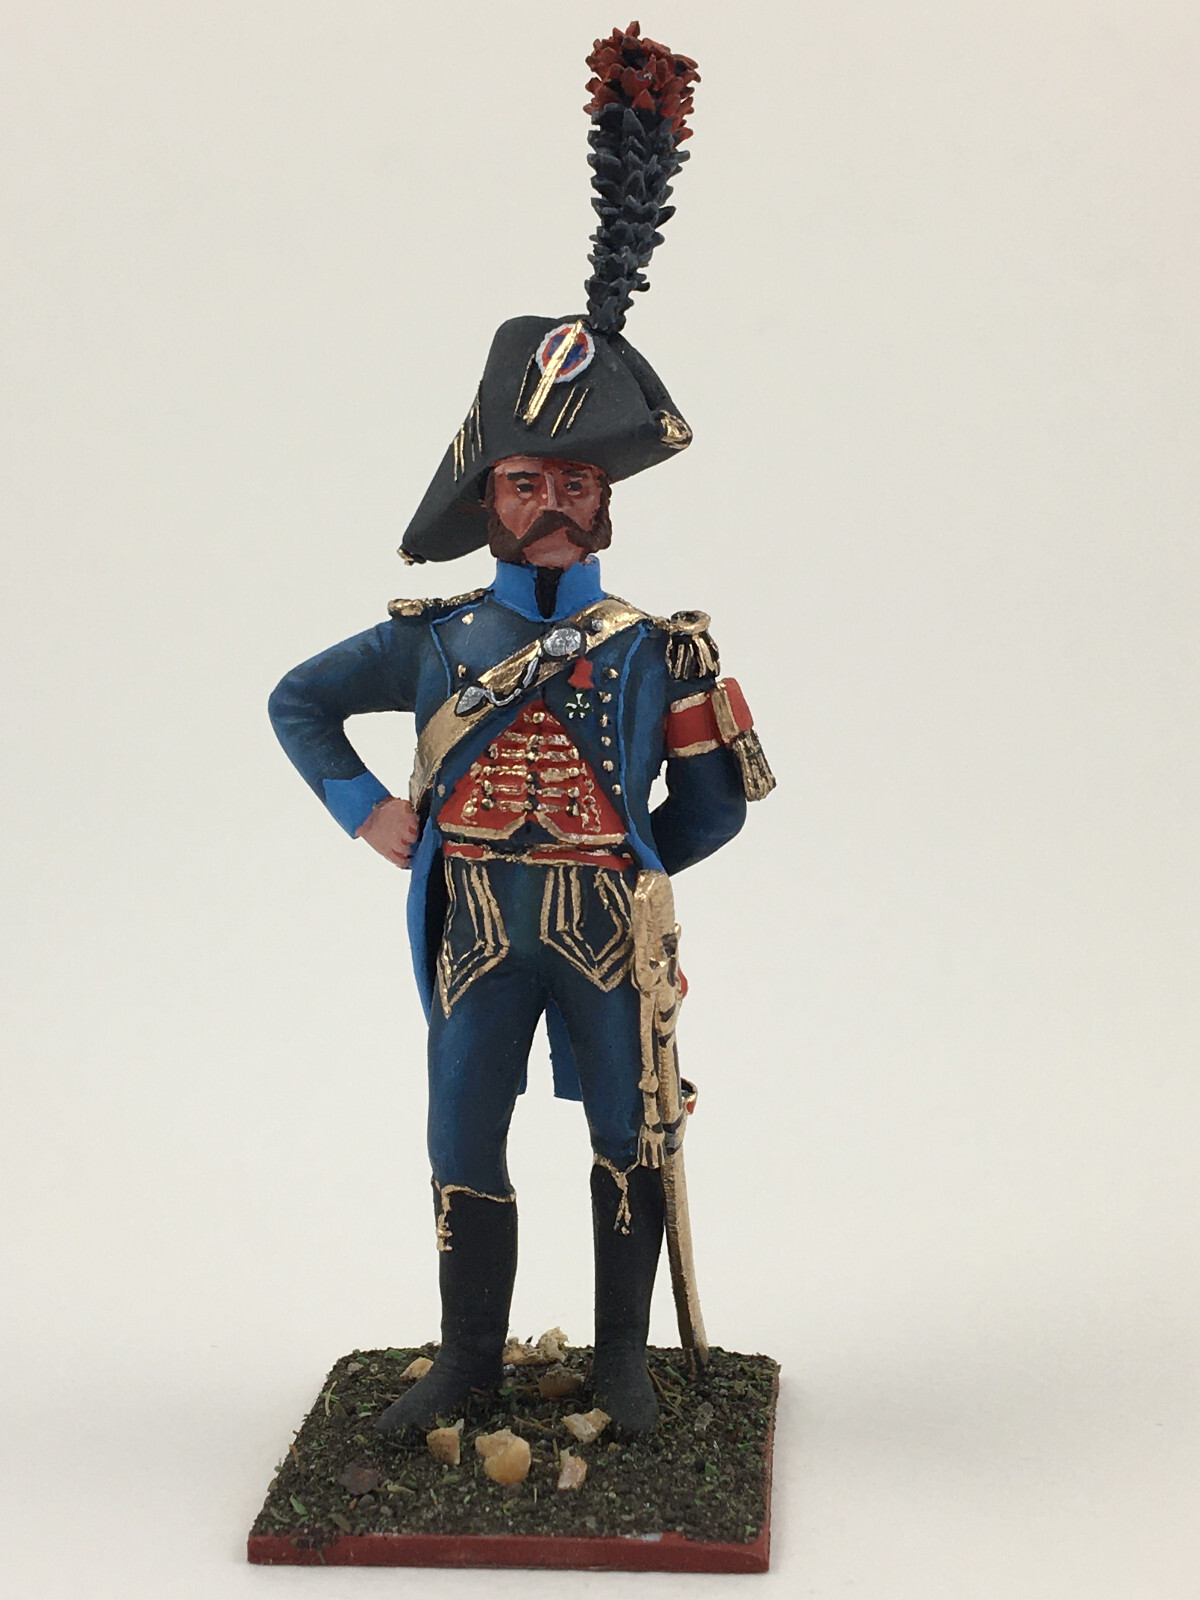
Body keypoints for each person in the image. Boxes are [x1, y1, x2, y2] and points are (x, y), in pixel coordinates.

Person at [268, 25, 775, 1436]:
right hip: (476, 921)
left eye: (574, 482)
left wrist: (635, 862)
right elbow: (298, 700)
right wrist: (368, 809)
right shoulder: (430, 642)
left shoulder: (654, 649)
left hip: (604, 922)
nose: (551, 502)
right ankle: (465, 1366)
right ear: (486, 499)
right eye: (524, 482)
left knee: (628, 1137)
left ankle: (622, 1369)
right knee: (461, 1135)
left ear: (606, 500)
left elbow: (715, 806)